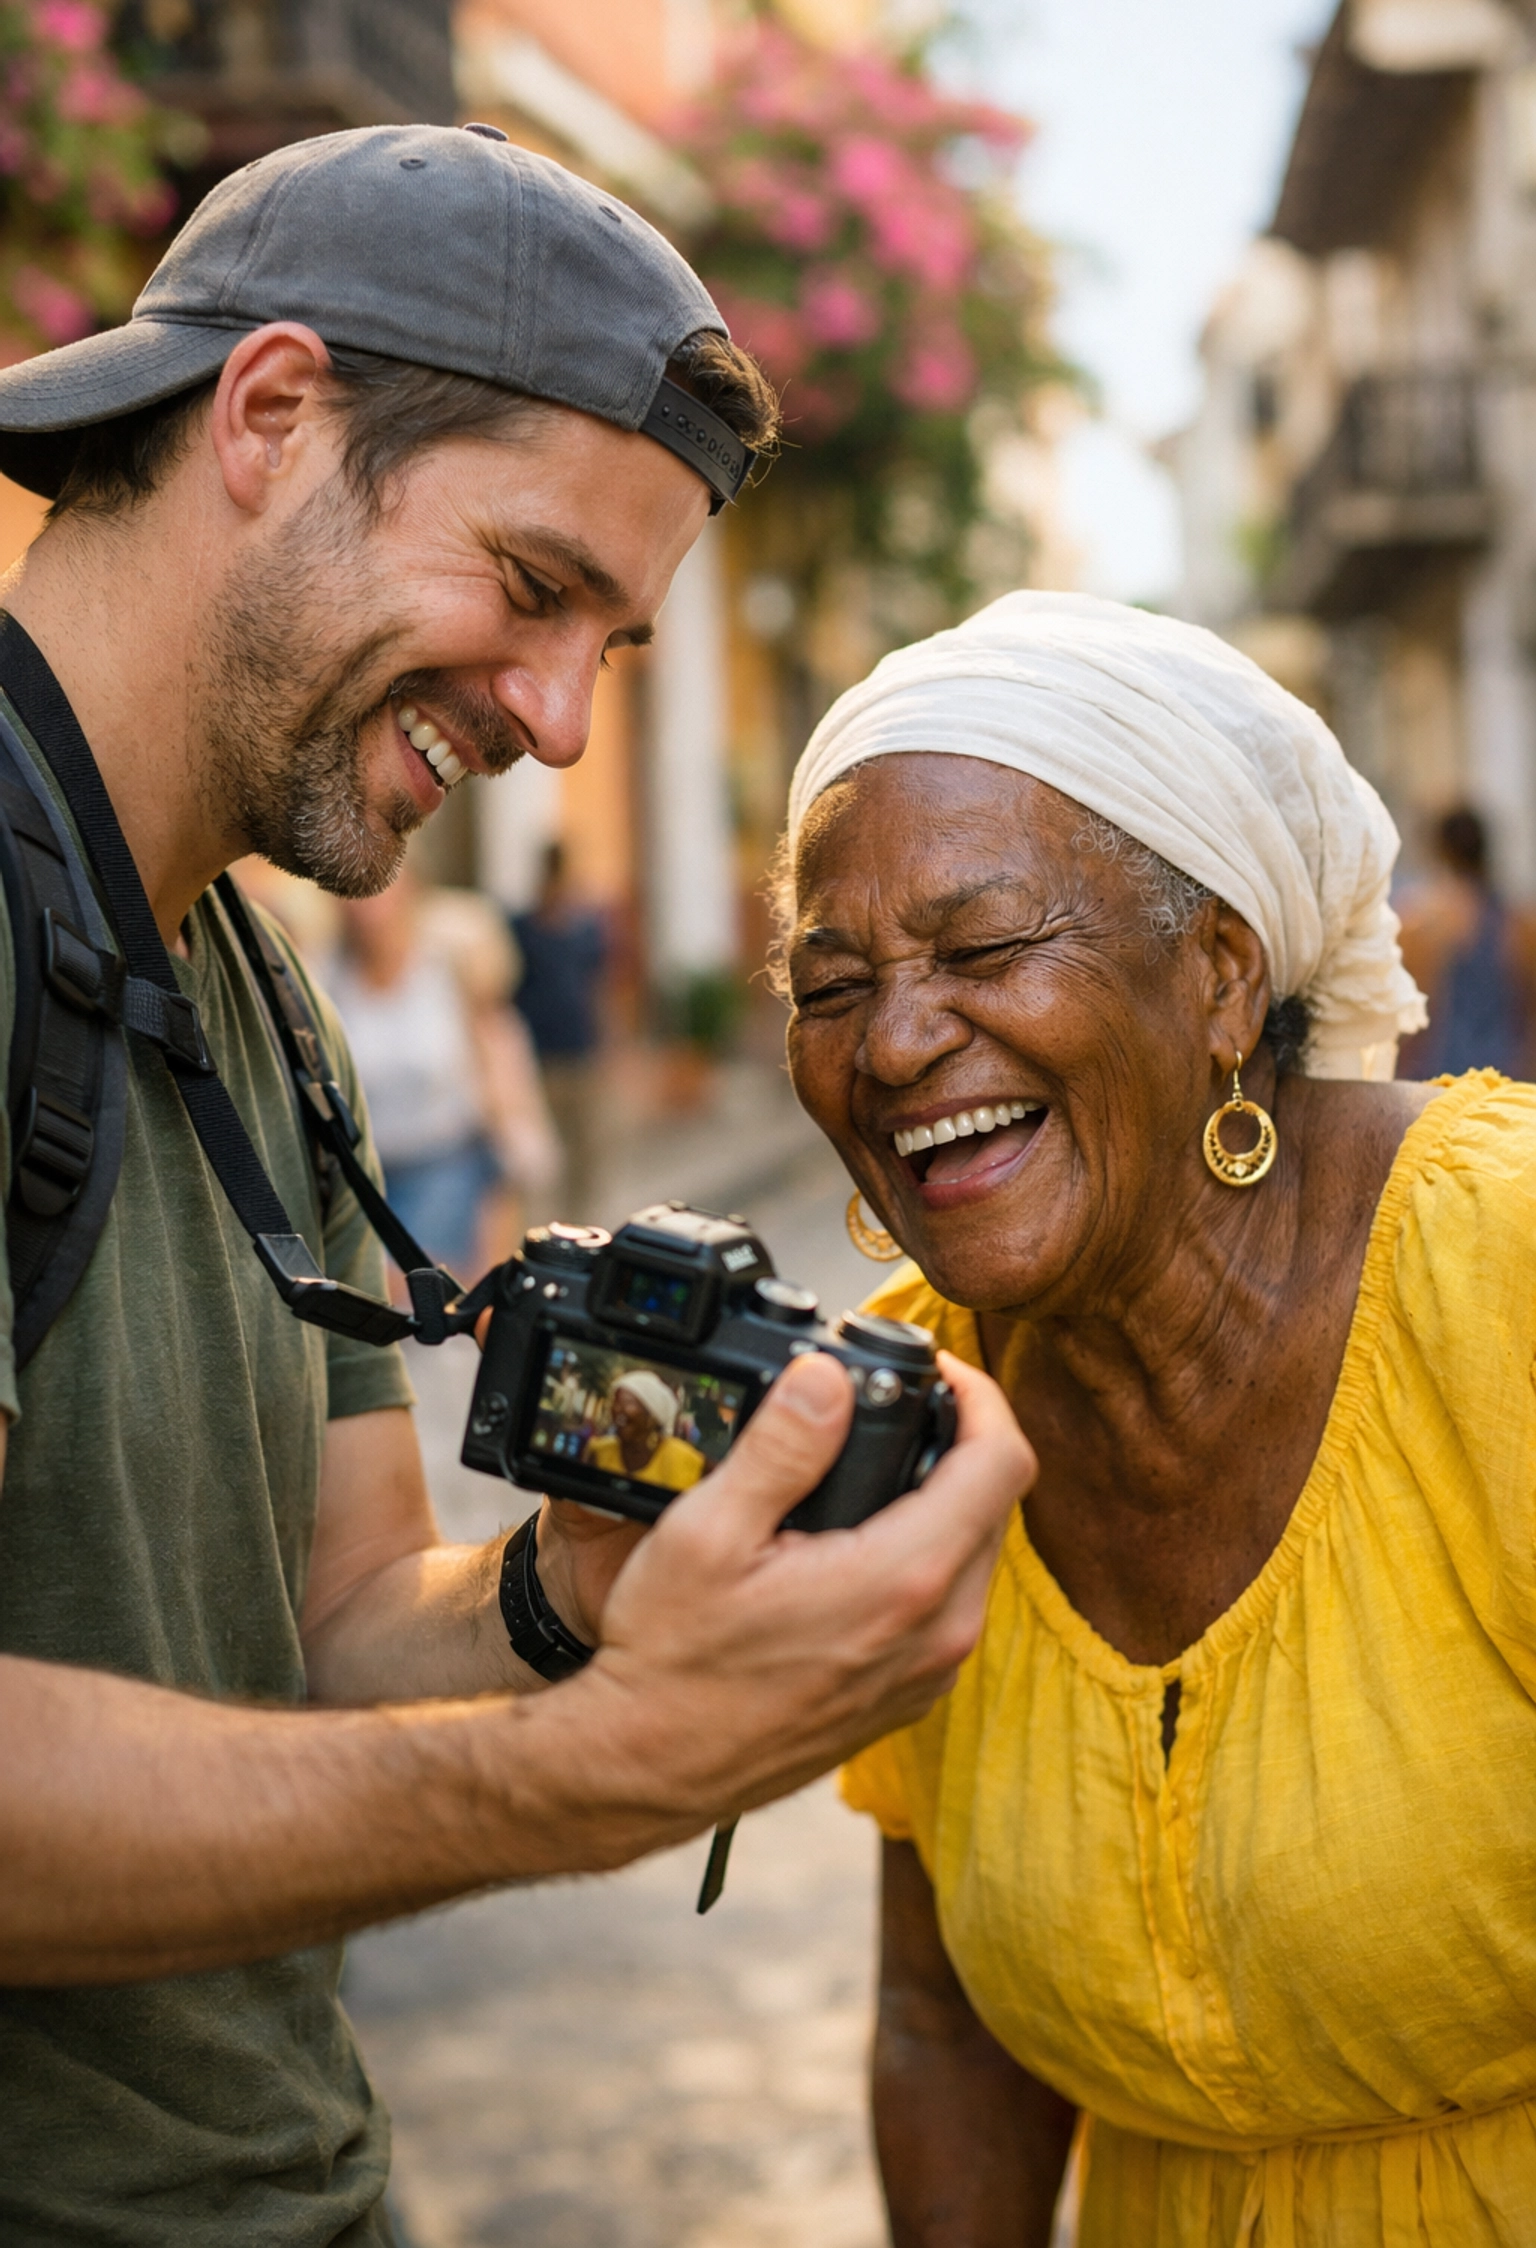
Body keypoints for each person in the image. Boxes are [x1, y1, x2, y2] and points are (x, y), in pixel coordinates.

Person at [0, 125, 1032, 2245]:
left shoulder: (249, 981)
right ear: (271, 414)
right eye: (535, 587)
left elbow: (335, 1627)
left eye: (612, 651)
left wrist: (578, 1601)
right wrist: (593, 1774)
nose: (561, 724)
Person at [774, 588, 1536, 2246]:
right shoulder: (912, 1412)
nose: (896, 1040)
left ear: (1216, 976)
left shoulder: (1503, 1270)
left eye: (981, 950)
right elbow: (945, 2017)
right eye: (830, 980)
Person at [327, 867, 559, 1280]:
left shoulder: (449, 969)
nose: (364, 904)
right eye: (348, 889)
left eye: (376, 885)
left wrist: (504, 1196)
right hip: (358, 1180)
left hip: (444, 1172)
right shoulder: (326, 978)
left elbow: (499, 1067)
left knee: (425, 1306)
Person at [1395, 803, 1536, 1077]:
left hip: (1437, 1081)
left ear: (1439, 849)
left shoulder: (1419, 922)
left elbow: (1408, 1023)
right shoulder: (1517, 924)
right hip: (1503, 1078)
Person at [513, 839, 609, 1214]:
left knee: (585, 1152)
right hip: (540, 1057)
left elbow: (597, 987)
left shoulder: (584, 928)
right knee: (543, 1154)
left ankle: (582, 1225)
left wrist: (607, 1045)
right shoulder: (524, 926)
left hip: (580, 1051)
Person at [585, 1372, 707, 1492]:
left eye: (628, 1403)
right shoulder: (598, 1450)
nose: (618, 1409)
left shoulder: (683, 1458)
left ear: (652, 1417)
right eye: (615, 1402)